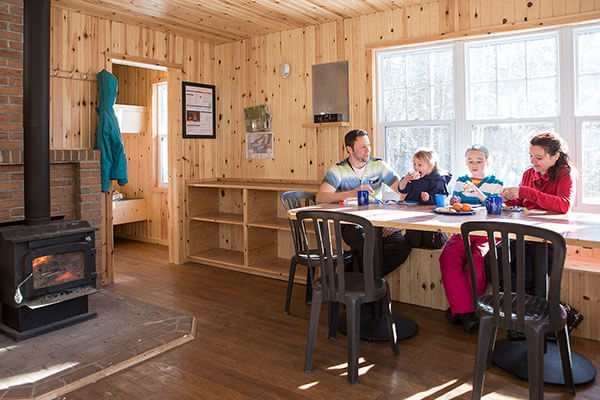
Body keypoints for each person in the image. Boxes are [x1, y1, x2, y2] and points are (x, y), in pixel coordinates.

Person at [316, 129, 411, 276]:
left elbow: (404, 192)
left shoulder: (379, 166)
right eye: (362, 147)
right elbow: (320, 198)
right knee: (370, 247)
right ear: (349, 149)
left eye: (369, 145)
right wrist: (351, 193)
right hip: (350, 224)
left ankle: (354, 277)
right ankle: (369, 285)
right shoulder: (338, 169)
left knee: (401, 247)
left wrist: (397, 223)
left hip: (377, 222)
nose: (368, 150)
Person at [491, 132, 575, 295]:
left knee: (527, 271)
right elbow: (522, 203)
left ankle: (520, 302)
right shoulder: (529, 174)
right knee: (492, 260)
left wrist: (525, 192)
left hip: (548, 240)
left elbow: (564, 205)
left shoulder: (564, 174)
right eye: (531, 156)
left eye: (539, 157)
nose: (532, 161)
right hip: (523, 235)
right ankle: (516, 300)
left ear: (555, 156)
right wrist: (509, 199)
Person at [438, 145, 503, 332]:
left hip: (487, 234)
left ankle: (459, 310)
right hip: (463, 232)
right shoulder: (461, 182)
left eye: (479, 161)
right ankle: (468, 312)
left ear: (487, 162)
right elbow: (456, 205)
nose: (474, 165)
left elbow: (496, 209)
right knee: (448, 258)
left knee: (477, 264)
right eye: (470, 161)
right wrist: (454, 202)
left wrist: (478, 194)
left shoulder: (496, 183)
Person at [397, 148, 451, 249]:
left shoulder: (438, 179)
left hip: (430, 215)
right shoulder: (414, 178)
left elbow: (440, 197)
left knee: (431, 241)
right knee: (413, 241)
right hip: (414, 213)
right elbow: (402, 189)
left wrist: (428, 198)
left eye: (419, 165)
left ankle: (440, 237)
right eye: (414, 164)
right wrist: (405, 180)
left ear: (430, 165)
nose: (416, 167)